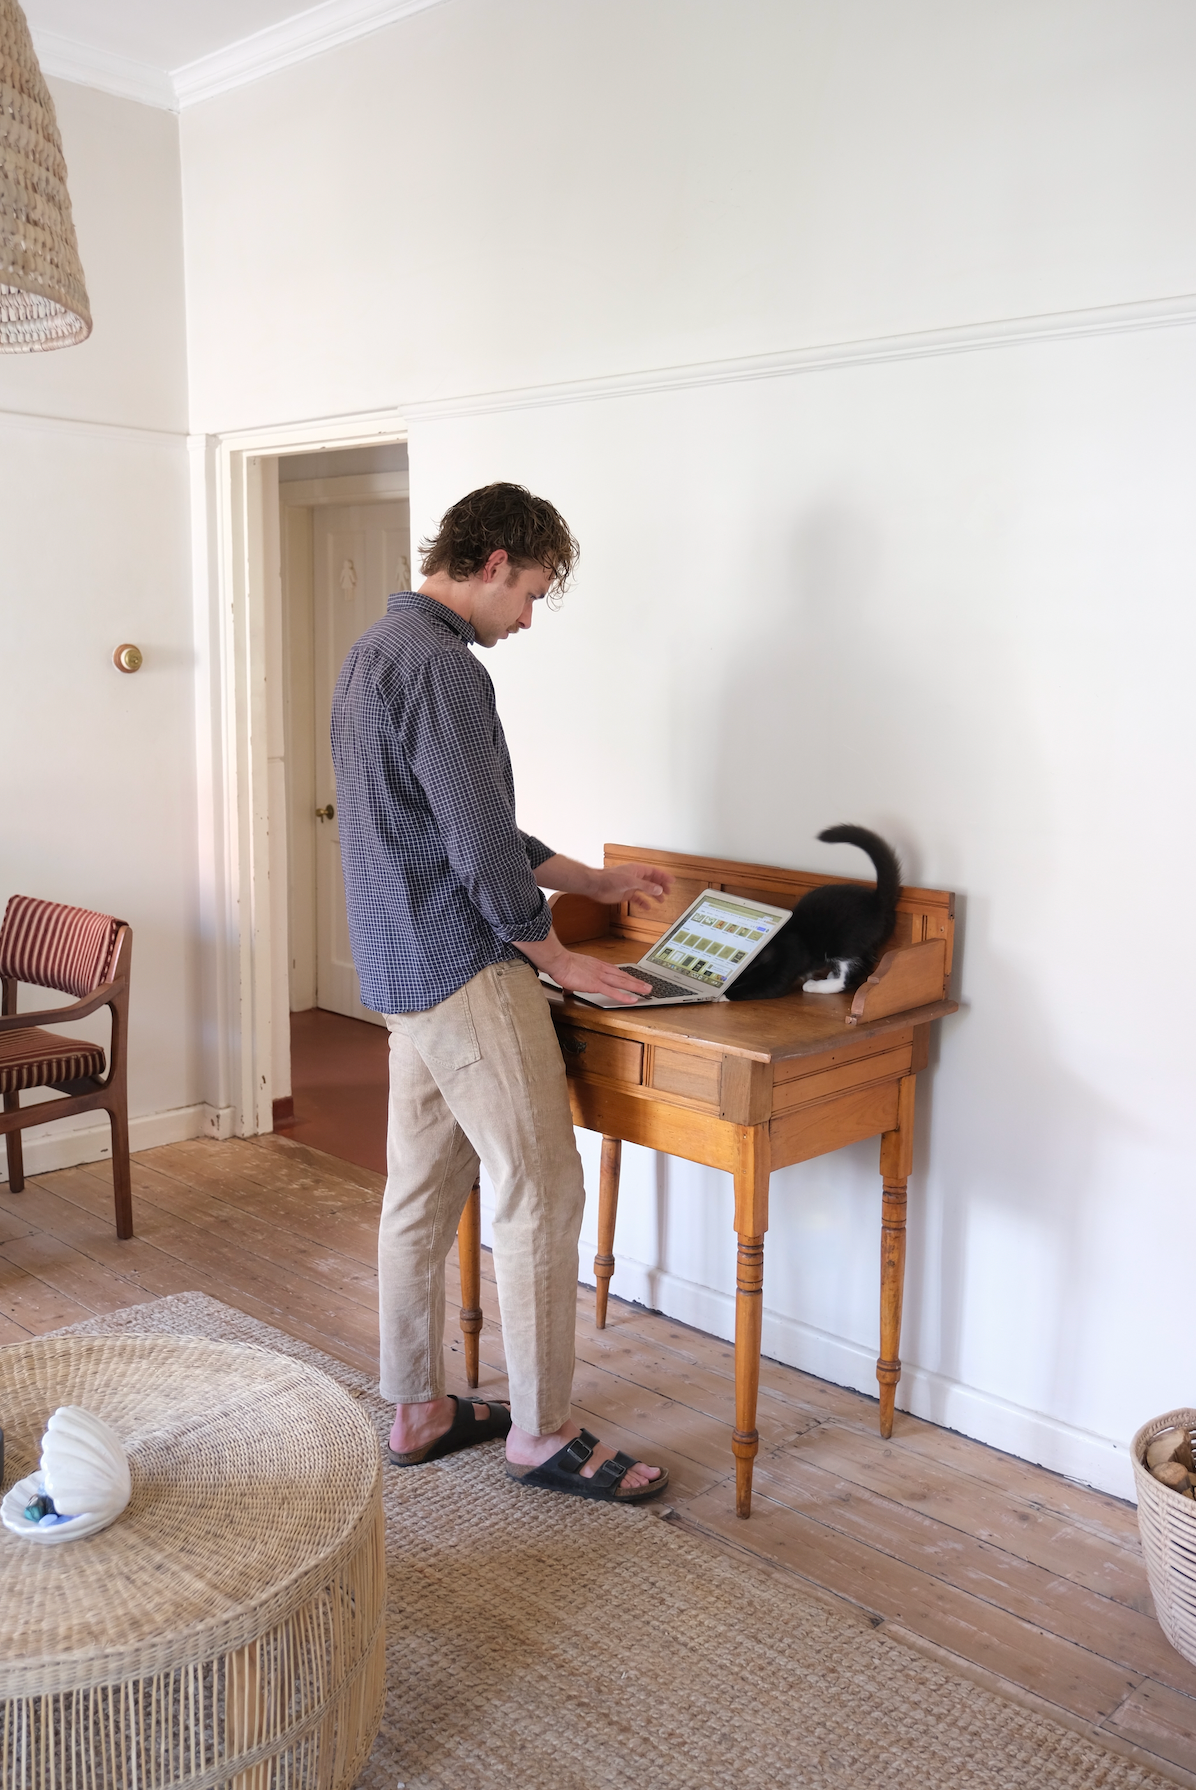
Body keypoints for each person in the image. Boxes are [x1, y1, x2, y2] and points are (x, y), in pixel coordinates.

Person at [331, 482, 672, 1503]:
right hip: (468, 969)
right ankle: (541, 1432)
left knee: (419, 1194)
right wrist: (557, 955)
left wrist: (590, 879)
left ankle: (418, 1407)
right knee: (539, 1191)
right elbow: (478, 849)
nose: (526, 616)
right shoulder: (444, 669)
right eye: (528, 592)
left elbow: (462, 825)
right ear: (492, 563)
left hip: (400, 974)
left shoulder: (373, 654)